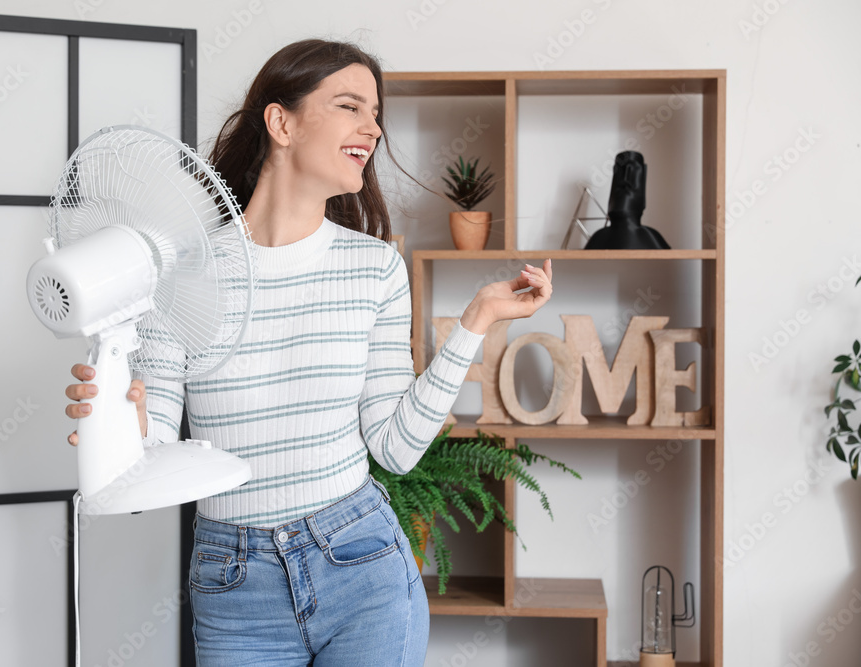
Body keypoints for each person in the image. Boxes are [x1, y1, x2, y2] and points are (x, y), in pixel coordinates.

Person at [64, 38, 553, 666]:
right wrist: (119, 427)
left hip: (362, 564)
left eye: (376, 114)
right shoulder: (178, 273)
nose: (372, 129)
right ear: (281, 121)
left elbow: (396, 450)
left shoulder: (373, 267)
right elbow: (153, 446)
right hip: (233, 581)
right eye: (350, 106)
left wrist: (476, 321)